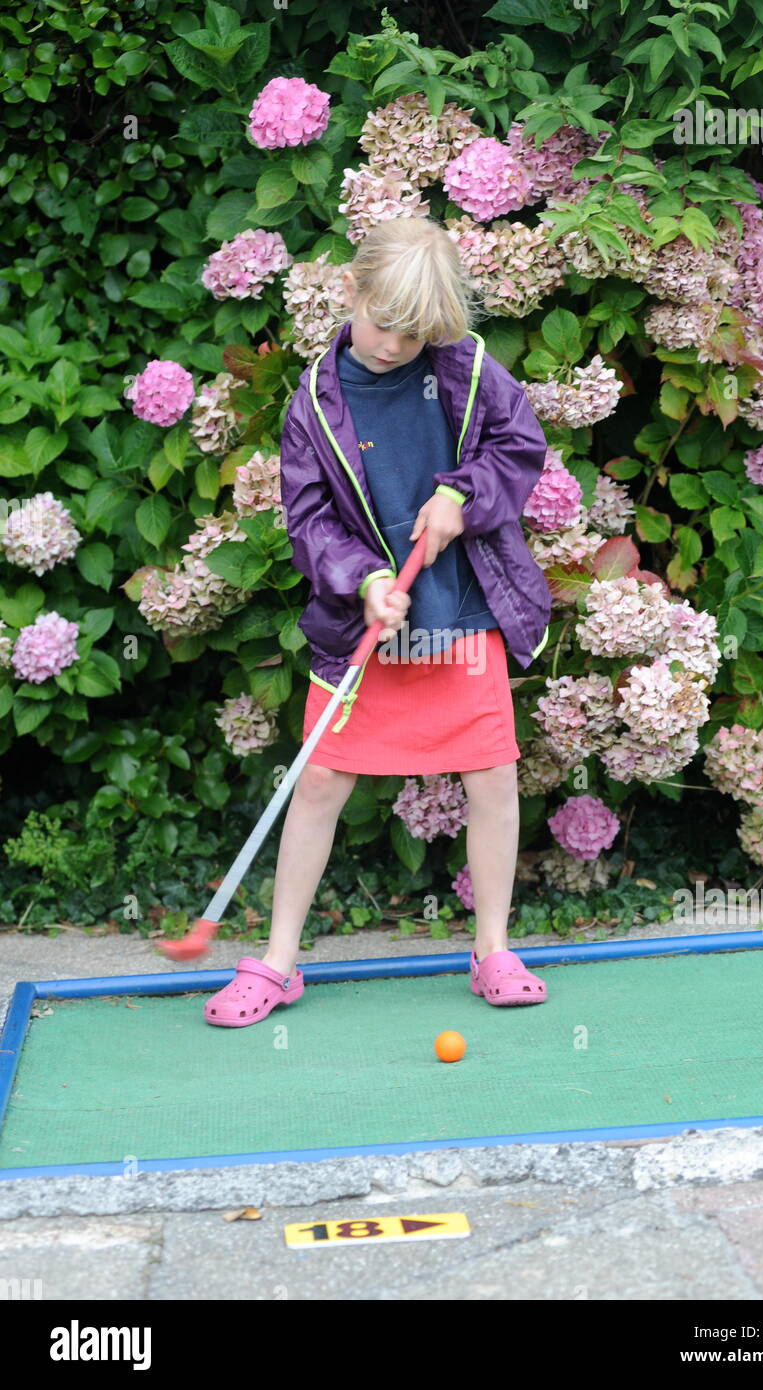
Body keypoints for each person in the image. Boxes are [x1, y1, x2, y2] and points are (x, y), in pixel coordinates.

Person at [204, 215, 552, 1027]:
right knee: (321, 778)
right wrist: (360, 578)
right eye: (385, 324)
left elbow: (518, 444)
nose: (397, 346)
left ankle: (493, 949)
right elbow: (307, 518)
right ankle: (280, 962)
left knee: (492, 775)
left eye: (415, 332)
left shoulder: (462, 369)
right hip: (373, 627)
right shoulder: (315, 403)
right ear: (351, 290)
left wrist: (461, 493)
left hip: (460, 616)